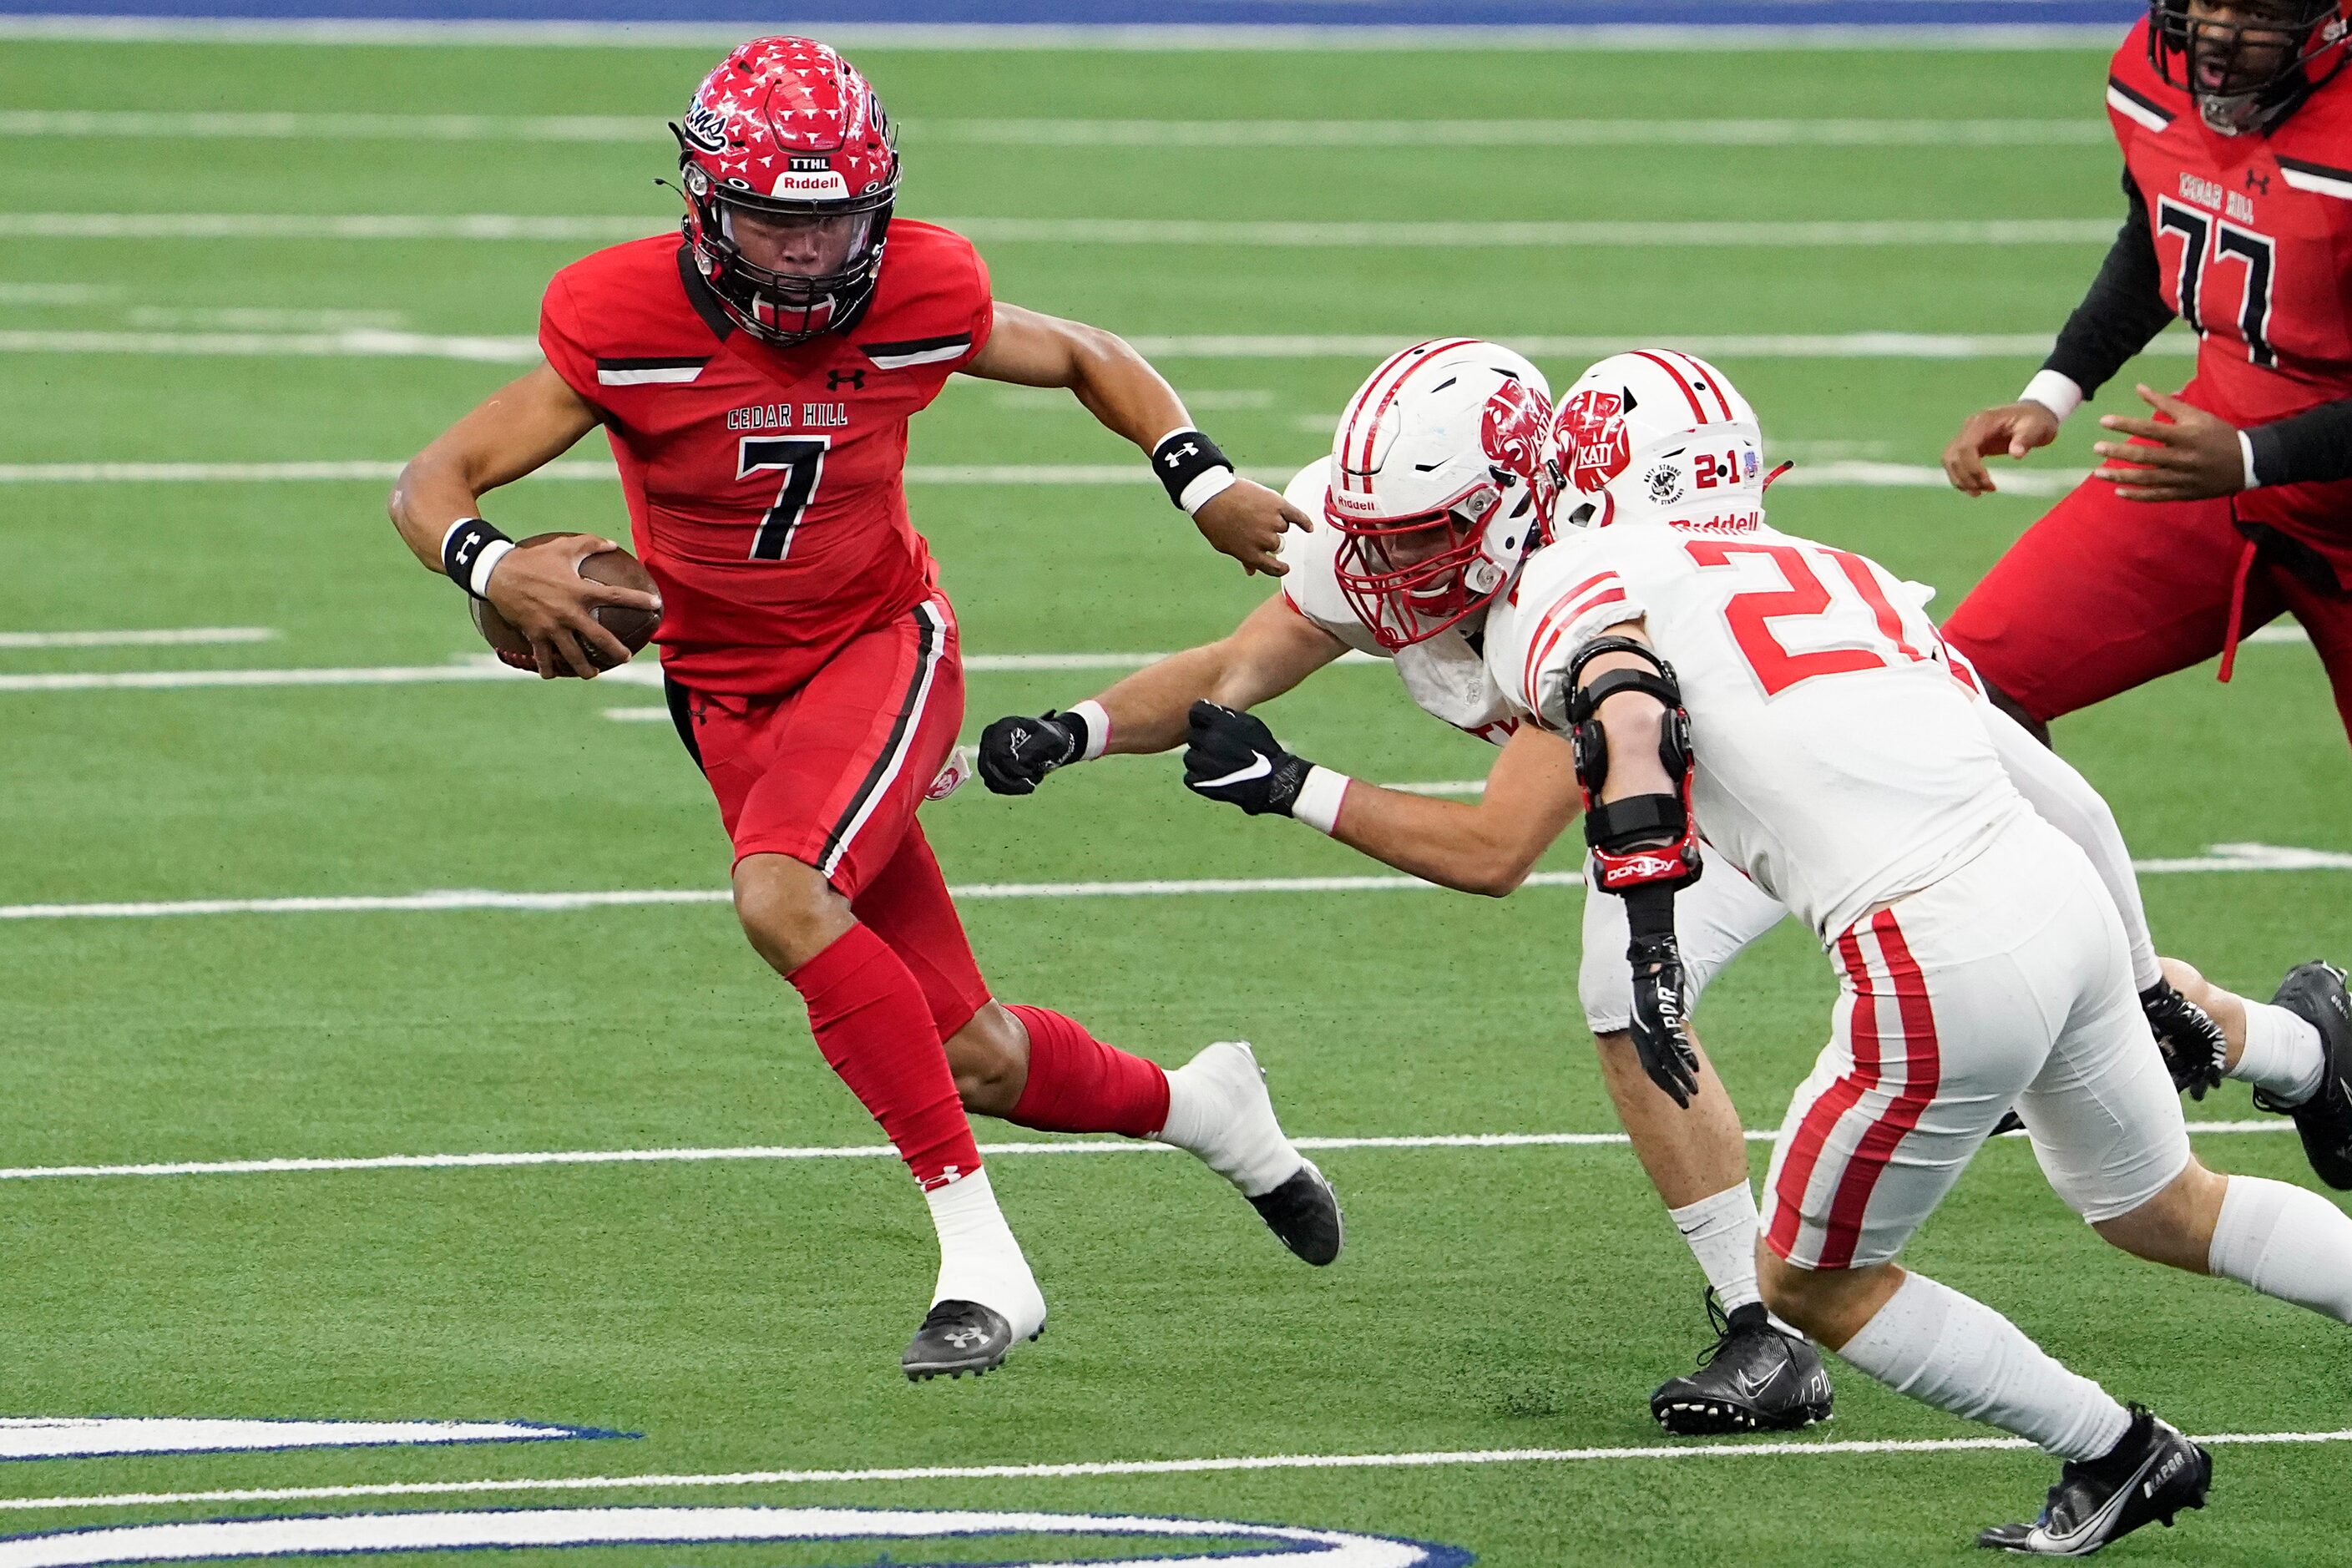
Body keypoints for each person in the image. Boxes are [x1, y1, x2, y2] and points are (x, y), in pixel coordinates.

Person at [981, 341, 2338, 1438]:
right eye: (1380, 534)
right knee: (2088, 1098)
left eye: (1421, 538)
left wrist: (1298, 787)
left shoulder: (1587, 588)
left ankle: (1789, 1312)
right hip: (1783, 824)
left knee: (1685, 996)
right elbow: (1240, 661)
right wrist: (1082, 727)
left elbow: (1495, 846)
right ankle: (2288, 1048)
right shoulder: (1408, 532)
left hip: (1789, 826)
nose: (1383, 566)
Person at [385, 36, 1338, 1383]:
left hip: (878, 647)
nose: (806, 254)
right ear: (708, 205)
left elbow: (1082, 352)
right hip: (719, 687)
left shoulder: (921, 287)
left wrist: (1196, 475)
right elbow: (434, 478)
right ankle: (1208, 1109)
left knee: (781, 898)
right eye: (776, 221)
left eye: (833, 220)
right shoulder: (620, 317)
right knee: (975, 1052)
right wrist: (490, 562)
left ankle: (982, 1262)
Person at [1940, 0, 2352, 747]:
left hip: (2261, 466)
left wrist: (2259, 457)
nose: (2217, 34)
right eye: (2204, 2)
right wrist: (2055, 387)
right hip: (2210, 466)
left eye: (2254, 10)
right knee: (1968, 689)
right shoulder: (2152, 74)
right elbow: (2159, 236)